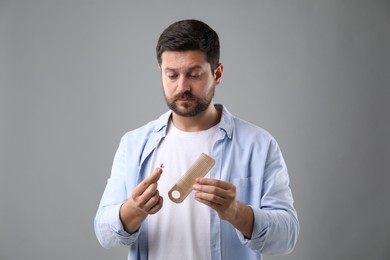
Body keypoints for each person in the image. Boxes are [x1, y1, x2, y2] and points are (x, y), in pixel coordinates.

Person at [94, 19, 299, 260]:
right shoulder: (134, 144)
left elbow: (287, 238)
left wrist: (237, 212)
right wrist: (133, 210)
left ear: (217, 73)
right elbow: (104, 233)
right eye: (171, 75)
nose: (182, 87)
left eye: (194, 74)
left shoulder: (258, 145)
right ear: (161, 73)